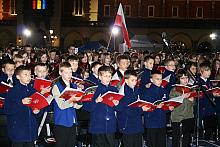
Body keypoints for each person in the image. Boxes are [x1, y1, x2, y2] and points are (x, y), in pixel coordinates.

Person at [4, 65, 40, 147]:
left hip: (31, 131)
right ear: (18, 77)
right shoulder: (12, 91)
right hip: (18, 131)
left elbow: (38, 108)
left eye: (30, 74)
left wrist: (37, 111)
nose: (29, 77)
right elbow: (7, 109)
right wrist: (21, 102)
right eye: (25, 74)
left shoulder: (33, 90)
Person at [51, 62, 82, 147]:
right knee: (61, 144)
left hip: (72, 121)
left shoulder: (74, 86)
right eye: (66, 73)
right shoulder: (56, 86)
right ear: (60, 73)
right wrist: (71, 101)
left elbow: (78, 106)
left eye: (70, 72)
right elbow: (61, 105)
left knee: (71, 144)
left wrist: (79, 100)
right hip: (61, 121)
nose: (69, 75)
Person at [88, 65, 119, 147]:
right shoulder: (94, 89)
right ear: (100, 76)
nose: (108, 78)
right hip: (98, 124)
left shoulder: (114, 90)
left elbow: (119, 108)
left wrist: (117, 104)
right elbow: (88, 107)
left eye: (110, 76)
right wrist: (96, 101)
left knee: (110, 144)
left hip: (110, 124)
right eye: (105, 76)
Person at [141, 70, 174, 147]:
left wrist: (169, 108)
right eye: (157, 79)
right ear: (151, 80)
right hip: (151, 123)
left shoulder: (164, 91)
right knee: (152, 143)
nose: (160, 81)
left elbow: (165, 105)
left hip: (162, 122)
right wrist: (156, 107)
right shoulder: (146, 92)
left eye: (161, 79)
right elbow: (145, 109)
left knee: (161, 143)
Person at [117, 70, 145, 147]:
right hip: (127, 125)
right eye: (132, 80)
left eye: (136, 80)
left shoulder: (136, 90)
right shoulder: (123, 92)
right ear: (126, 80)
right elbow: (127, 110)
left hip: (137, 125)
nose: (135, 82)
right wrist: (141, 109)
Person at [169, 69, 194, 147]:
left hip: (188, 116)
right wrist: (182, 97)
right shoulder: (174, 90)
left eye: (186, 77)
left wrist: (192, 100)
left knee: (186, 138)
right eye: (182, 78)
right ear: (178, 79)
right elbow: (172, 102)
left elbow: (194, 103)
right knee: (176, 138)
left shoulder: (191, 89)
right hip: (177, 117)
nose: (185, 80)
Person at [196, 62, 219, 140]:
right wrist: (212, 94)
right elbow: (199, 96)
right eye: (207, 71)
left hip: (210, 108)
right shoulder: (198, 82)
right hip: (203, 108)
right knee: (204, 129)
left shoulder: (209, 82)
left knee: (211, 128)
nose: (209, 72)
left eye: (209, 70)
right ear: (201, 72)